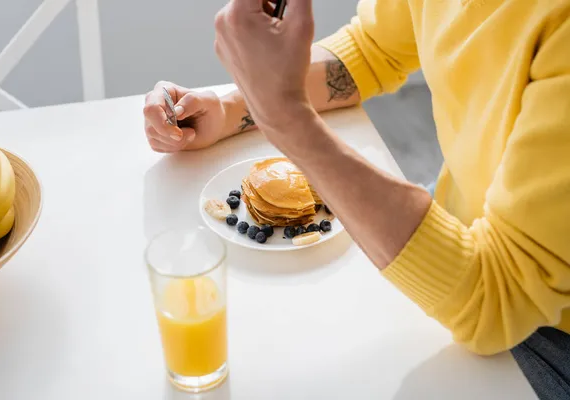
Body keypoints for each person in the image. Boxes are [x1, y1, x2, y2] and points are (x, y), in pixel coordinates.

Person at [143, 0, 570, 397]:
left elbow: (499, 300)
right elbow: (371, 51)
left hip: (542, 332)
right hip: (461, 242)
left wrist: (286, 119)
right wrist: (235, 109)